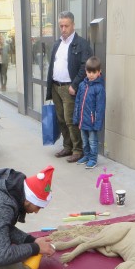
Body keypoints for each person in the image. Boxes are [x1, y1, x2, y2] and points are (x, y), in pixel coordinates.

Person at [45, 11, 92, 163]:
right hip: (56, 87)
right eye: (61, 26)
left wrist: (75, 84)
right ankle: (67, 146)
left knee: (71, 120)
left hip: (69, 88)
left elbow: (86, 65)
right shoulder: (57, 43)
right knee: (61, 119)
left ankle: (78, 150)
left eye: (66, 26)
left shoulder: (82, 44)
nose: (63, 29)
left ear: (73, 25)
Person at [73, 56, 106, 169]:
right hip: (83, 120)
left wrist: (97, 124)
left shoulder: (99, 88)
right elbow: (77, 102)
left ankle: (93, 159)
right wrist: (76, 118)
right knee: (85, 141)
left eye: (94, 72)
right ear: (86, 71)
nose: (91, 74)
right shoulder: (82, 85)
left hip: (92, 122)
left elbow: (100, 108)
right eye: (89, 72)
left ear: (99, 72)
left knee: (92, 141)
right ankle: (86, 156)